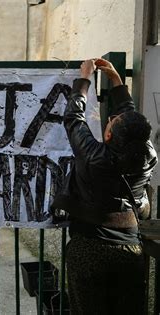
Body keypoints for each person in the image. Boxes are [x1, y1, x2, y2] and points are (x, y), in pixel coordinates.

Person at [51, 58, 158, 314]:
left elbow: (74, 119)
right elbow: (133, 126)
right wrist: (118, 83)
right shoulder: (148, 156)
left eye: (112, 121)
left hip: (90, 249)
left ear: (108, 134)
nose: (111, 119)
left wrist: (84, 80)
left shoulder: (94, 157)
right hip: (130, 251)